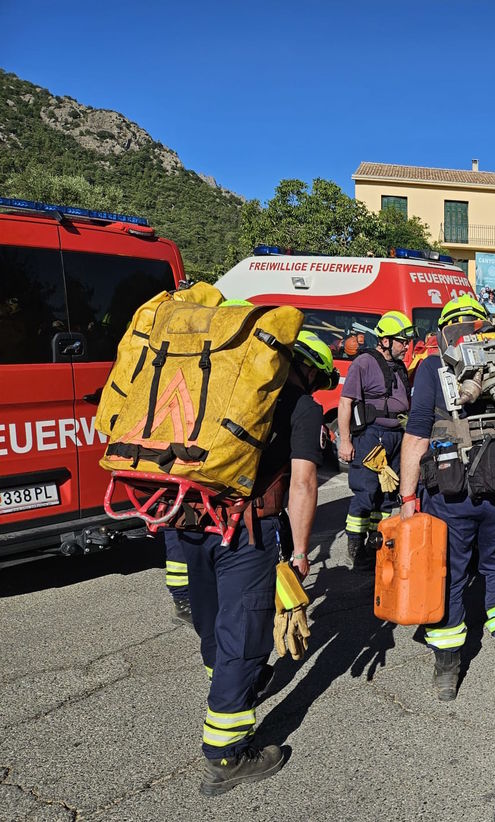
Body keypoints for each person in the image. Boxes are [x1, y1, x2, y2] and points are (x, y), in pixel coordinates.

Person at [164, 330, 334, 796]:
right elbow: (303, 483)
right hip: (245, 531)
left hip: (192, 522)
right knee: (244, 636)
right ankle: (227, 755)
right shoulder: (301, 406)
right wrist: (300, 552)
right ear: (309, 369)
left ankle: (233, 688)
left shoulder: (224, 386)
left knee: (212, 620)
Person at [398, 294, 495, 701]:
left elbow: (417, 435)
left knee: (448, 575)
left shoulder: (432, 368)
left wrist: (407, 496)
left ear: (444, 332)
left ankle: (447, 671)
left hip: (452, 493)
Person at [164, 298, 254, 627]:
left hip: (180, 457)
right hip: (191, 459)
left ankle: (191, 597)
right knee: (183, 528)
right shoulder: (214, 362)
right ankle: (184, 598)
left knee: (183, 525)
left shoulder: (193, 356)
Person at [337, 310, 414, 569]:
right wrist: (345, 441)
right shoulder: (364, 363)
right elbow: (346, 402)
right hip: (372, 437)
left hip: (395, 436)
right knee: (366, 492)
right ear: (385, 340)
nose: (406, 346)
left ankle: (376, 543)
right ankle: (356, 550)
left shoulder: (399, 367)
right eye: (402, 341)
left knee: (387, 494)